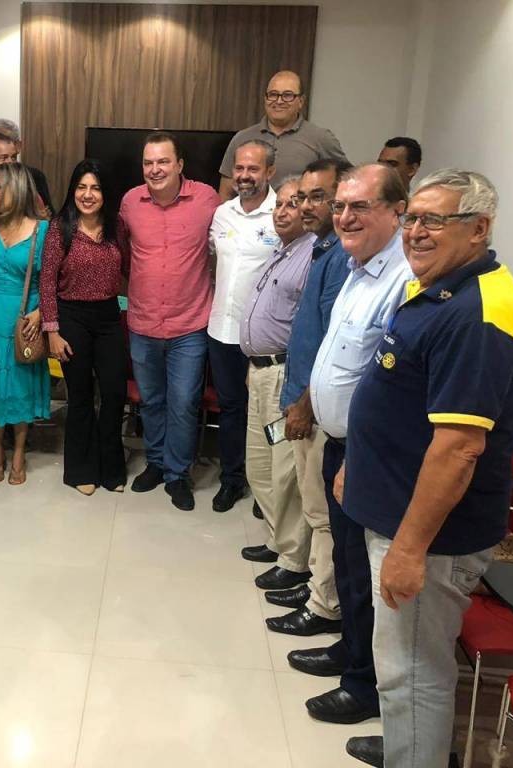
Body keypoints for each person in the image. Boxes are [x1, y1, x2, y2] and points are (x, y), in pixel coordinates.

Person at [344, 170, 513, 768]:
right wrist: (358, 463)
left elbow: (458, 449)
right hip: (397, 508)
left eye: (434, 220)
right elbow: (398, 395)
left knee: (414, 672)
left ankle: (415, 753)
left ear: (479, 229)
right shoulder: (438, 288)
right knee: (401, 667)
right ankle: (408, 745)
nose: (416, 232)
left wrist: (408, 550)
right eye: (413, 218)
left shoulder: (479, 315)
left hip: (430, 536)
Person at [287, 165, 411, 730]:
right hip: (339, 442)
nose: (344, 217)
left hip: (367, 455)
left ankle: (364, 687)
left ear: (397, 211)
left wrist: (357, 456)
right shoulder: (357, 270)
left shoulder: (402, 281)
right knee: (346, 562)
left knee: (362, 572)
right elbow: (337, 357)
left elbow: (392, 391)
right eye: (340, 206)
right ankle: (350, 653)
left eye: (359, 206)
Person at [257, 158, 351, 595]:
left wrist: (304, 404)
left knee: (315, 505)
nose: (306, 206)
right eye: (302, 198)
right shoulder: (321, 250)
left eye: (317, 197)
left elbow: (333, 342)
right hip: (296, 389)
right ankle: (299, 567)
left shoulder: (340, 259)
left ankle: (320, 597)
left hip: (310, 401)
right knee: (297, 487)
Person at [118, 131, 220, 511]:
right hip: (143, 323)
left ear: (179, 165)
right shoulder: (130, 202)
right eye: (148, 162)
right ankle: (156, 463)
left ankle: (178, 474)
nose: (155, 169)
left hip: (189, 324)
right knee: (151, 401)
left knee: (184, 403)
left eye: (163, 161)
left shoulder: (206, 199)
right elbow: (123, 253)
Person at [236, 177, 315, 583]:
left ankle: (294, 560)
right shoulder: (283, 251)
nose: (283, 212)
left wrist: (297, 389)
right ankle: (276, 538)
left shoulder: (313, 255)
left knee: (285, 471)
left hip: (284, 375)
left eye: (293, 204)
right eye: (279, 204)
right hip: (261, 371)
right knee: (261, 465)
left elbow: (310, 330)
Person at [41, 159, 127, 494]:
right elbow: (47, 282)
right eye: (81, 187)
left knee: (114, 392)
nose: (88, 195)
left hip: (108, 317)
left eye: (95, 188)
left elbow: (130, 269)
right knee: (80, 396)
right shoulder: (59, 227)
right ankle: (81, 471)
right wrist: (52, 331)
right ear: (73, 190)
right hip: (71, 317)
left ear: (105, 194)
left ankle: (111, 469)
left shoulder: (117, 227)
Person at [207, 140, 280, 512]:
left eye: (253, 168)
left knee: (266, 412)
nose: (245, 175)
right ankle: (232, 479)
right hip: (221, 330)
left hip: (264, 338)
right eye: (239, 168)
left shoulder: (281, 215)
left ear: (269, 172)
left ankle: (265, 488)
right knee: (231, 408)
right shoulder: (222, 214)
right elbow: (211, 262)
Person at [0, 162, 50, 485]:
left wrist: (40, 313)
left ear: (18, 187)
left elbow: (53, 281)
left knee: (19, 384)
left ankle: (18, 454)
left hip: (24, 314)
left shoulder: (43, 230)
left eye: (0, 185)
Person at [219, 70, 347, 198]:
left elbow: (345, 181)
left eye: (287, 95)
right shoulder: (242, 138)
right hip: (249, 210)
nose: (279, 101)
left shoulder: (321, 138)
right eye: (273, 94)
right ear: (265, 99)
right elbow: (226, 193)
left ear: (301, 101)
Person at [0, 118, 54, 214]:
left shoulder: (29, 194)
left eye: (13, 157)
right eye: (3, 158)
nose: (10, 163)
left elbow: (44, 220)